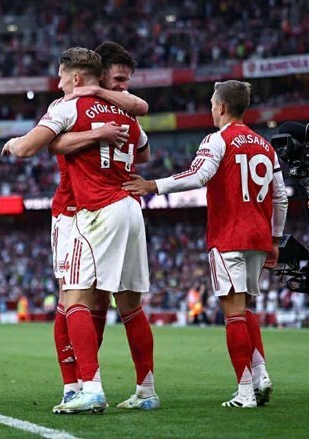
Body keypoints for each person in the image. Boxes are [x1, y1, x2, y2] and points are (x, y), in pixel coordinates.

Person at [3, 47, 158, 414]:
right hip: (129, 206)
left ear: (74, 78)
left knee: (72, 301)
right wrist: (97, 133)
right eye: (118, 80)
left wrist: (13, 144)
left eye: (61, 77)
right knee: (127, 305)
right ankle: (145, 389)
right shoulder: (124, 112)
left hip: (86, 212)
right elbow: (143, 151)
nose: (122, 87)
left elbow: (29, 148)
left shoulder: (68, 105)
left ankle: (85, 386)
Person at [123, 80, 288, 408]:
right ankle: (260, 375)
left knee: (234, 314)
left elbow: (199, 176)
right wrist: (274, 239)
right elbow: (280, 196)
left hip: (229, 236)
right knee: (245, 308)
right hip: (258, 237)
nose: (212, 110)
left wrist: (154, 185)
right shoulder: (265, 145)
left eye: (213, 105)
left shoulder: (217, 139)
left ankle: (245, 392)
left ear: (222, 107)